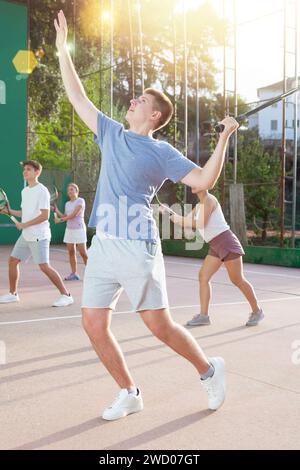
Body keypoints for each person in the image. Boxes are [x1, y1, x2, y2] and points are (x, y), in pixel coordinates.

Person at [54, 10, 239, 421]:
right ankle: (129, 392)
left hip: (137, 242)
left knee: (159, 325)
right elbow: (77, 96)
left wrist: (224, 137)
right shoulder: (110, 132)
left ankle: (210, 371)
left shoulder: (161, 152)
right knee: (94, 324)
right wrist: (62, 50)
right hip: (103, 244)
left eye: (141, 100)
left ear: (153, 116)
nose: (132, 101)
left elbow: (204, 178)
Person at [162, 189, 264, 327]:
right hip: (215, 245)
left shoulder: (210, 200)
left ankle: (257, 311)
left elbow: (200, 224)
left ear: (205, 184)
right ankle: (204, 316)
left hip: (226, 242)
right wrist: (169, 213)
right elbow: (186, 222)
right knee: (203, 276)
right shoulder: (199, 206)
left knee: (237, 279)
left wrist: (178, 217)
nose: (192, 184)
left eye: (197, 181)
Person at [0, 160, 74, 307]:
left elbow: (45, 216)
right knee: (13, 261)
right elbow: (24, 213)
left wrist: (24, 224)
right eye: (24, 169)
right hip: (26, 235)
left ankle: (66, 295)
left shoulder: (42, 191)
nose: (25, 172)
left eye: (28, 169)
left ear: (37, 172)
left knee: (44, 266)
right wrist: (9, 211)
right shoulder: (25, 191)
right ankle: (13, 294)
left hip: (39, 235)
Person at [55, 183, 88, 281]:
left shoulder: (80, 201)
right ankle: (74, 274)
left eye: (72, 189)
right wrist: (57, 211)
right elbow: (65, 216)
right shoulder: (67, 204)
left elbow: (74, 215)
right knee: (71, 252)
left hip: (79, 229)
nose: (69, 191)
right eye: (68, 190)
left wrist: (60, 220)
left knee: (83, 253)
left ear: (76, 191)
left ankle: (91, 274)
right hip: (69, 230)